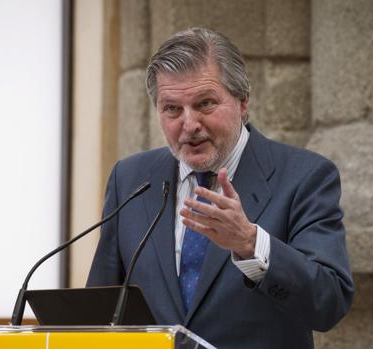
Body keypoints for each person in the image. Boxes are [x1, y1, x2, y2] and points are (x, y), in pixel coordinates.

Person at [87, 27, 354, 348]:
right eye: (172, 108)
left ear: (243, 102)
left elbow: (329, 303)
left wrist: (250, 242)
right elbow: (100, 312)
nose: (189, 124)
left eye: (205, 104)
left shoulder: (305, 177)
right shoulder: (130, 178)